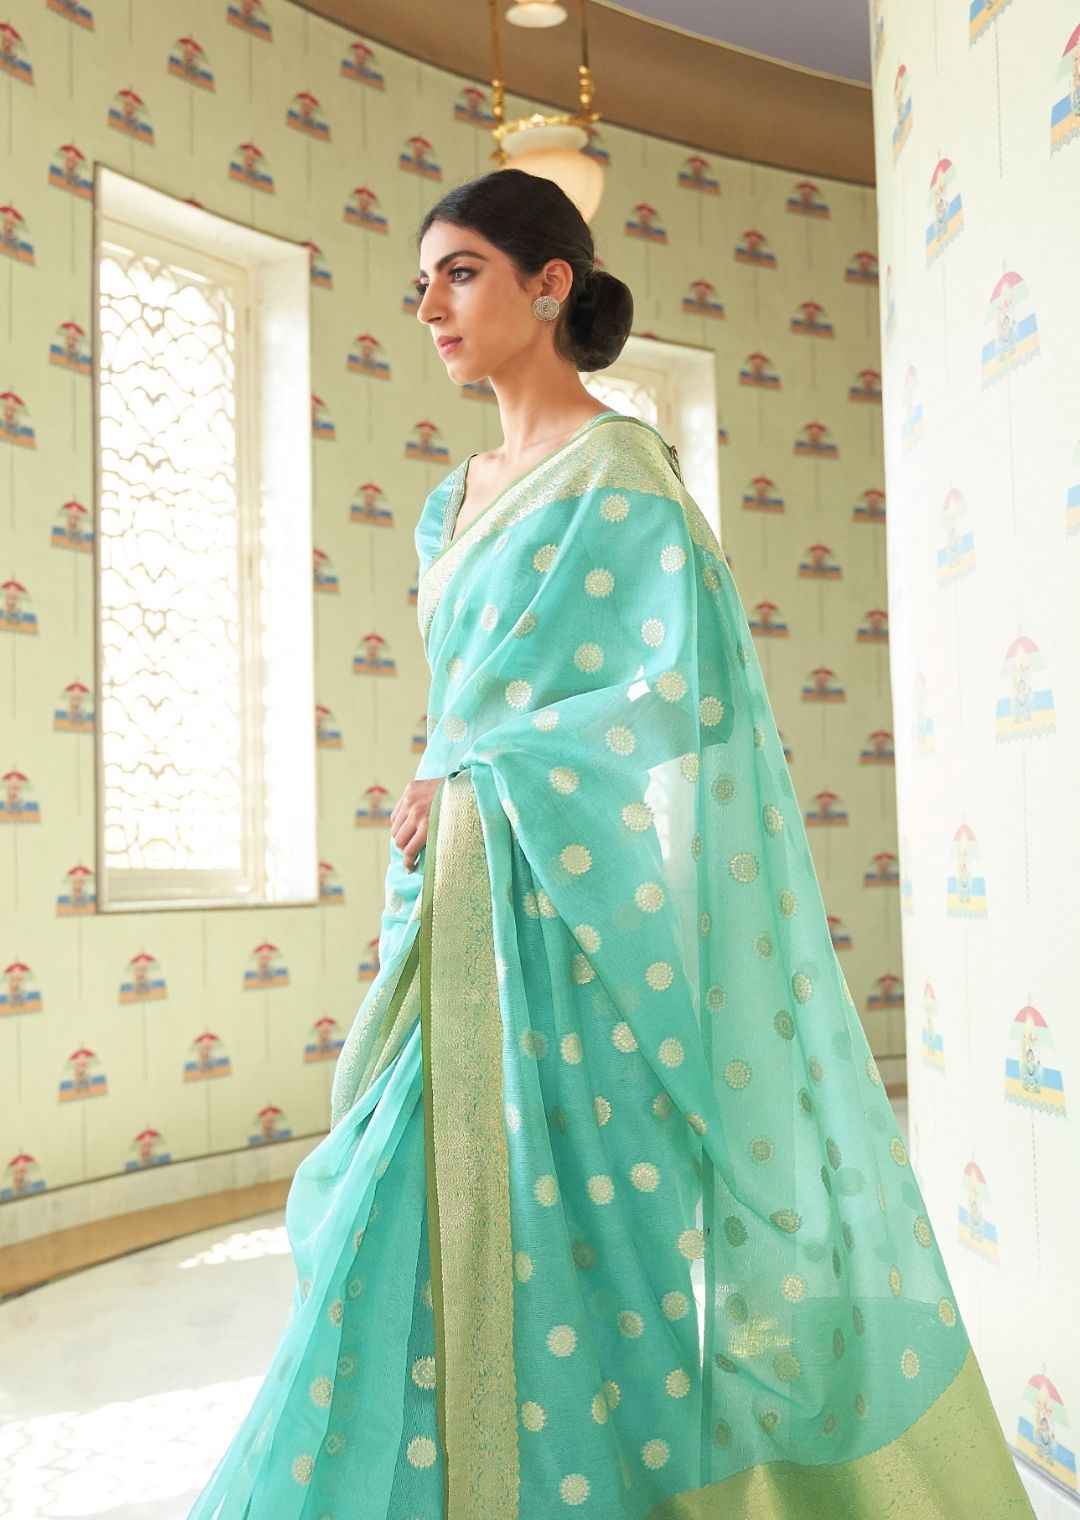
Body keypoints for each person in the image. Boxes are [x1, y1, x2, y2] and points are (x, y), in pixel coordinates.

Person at [188, 169, 1036, 1518]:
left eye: (461, 272)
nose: (431, 307)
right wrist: (438, 772)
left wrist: (484, 769)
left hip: (568, 909)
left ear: (549, 284)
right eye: (420, 283)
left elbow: (681, 696)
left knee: (578, 1216)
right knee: (400, 1208)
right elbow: (462, 700)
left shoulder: (623, 470)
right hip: (450, 899)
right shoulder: (451, 501)